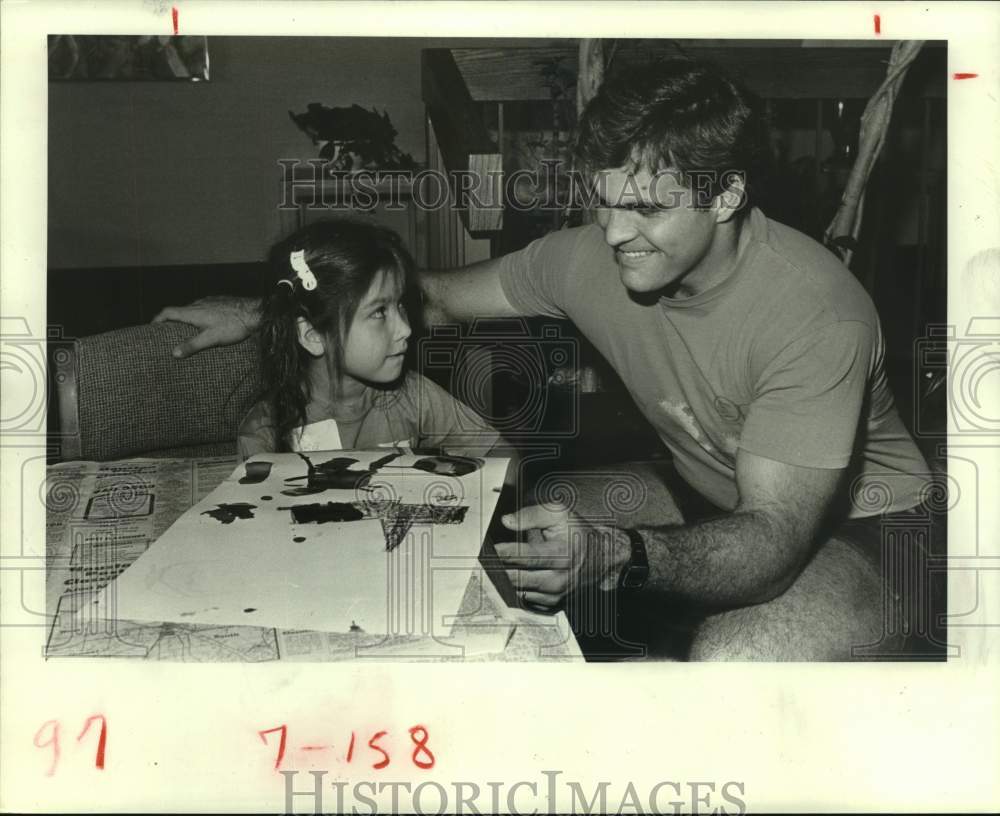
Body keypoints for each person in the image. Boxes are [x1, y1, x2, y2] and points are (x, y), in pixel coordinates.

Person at [154, 59, 942, 660]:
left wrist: (613, 554)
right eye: (604, 198)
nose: (614, 232)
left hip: (872, 529)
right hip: (707, 489)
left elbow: (770, 543)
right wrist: (278, 311)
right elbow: (428, 294)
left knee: (735, 659)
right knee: (502, 529)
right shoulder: (594, 258)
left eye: (647, 207)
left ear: (727, 195)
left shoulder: (815, 311)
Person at [235, 218, 501, 460]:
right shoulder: (265, 432)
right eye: (379, 312)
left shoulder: (413, 396)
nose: (405, 329)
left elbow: (500, 452)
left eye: (400, 305)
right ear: (313, 334)